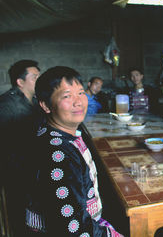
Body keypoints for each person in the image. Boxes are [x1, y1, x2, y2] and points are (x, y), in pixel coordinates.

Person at [26, 66, 124, 236]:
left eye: (80, 93)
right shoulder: (58, 153)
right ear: (46, 105)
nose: (78, 101)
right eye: (66, 96)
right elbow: (73, 228)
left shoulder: (54, 132)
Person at [0, 59, 41, 236]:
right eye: (34, 77)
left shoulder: (35, 100)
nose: (39, 80)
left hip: (32, 164)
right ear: (20, 81)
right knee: (18, 212)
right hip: (15, 170)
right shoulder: (6, 105)